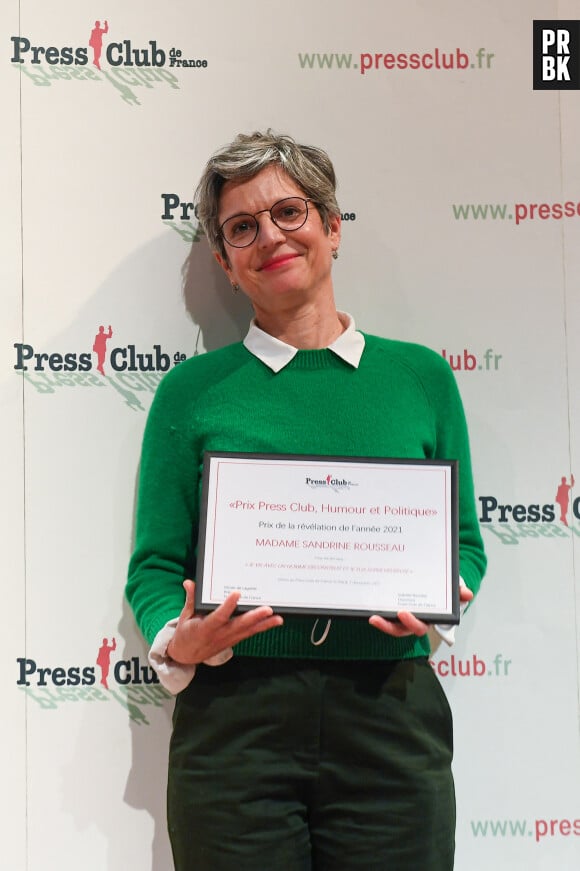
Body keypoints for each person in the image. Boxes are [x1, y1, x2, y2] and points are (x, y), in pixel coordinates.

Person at [126, 131, 486, 871]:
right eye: (242, 228)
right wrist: (177, 639)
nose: (270, 237)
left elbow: (465, 541)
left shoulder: (420, 377)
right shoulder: (190, 393)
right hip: (234, 723)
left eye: (289, 212)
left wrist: (444, 594)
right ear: (225, 264)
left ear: (332, 226)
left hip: (390, 707)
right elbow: (156, 565)